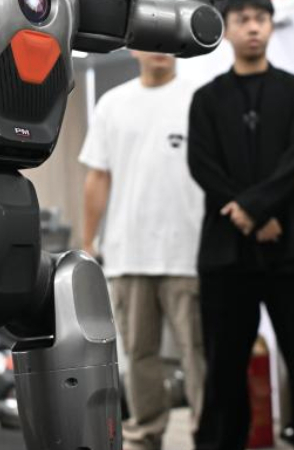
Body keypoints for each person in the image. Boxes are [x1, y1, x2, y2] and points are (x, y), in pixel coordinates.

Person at [187, 0, 294, 450]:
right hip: (226, 253)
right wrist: (251, 213)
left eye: (262, 17)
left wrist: (256, 208)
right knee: (223, 368)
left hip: (292, 248)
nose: (254, 26)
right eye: (242, 18)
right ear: (226, 31)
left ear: (271, 25)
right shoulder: (206, 99)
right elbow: (203, 165)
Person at [79, 51, 206, 450]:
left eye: (168, 41)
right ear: (133, 48)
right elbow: (98, 175)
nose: (160, 49)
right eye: (150, 41)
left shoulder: (199, 99)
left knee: (198, 351)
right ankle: (146, 432)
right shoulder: (112, 103)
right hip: (128, 251)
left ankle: (210, 432)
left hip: (191, 251)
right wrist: (87, 240)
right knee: (138, 354)